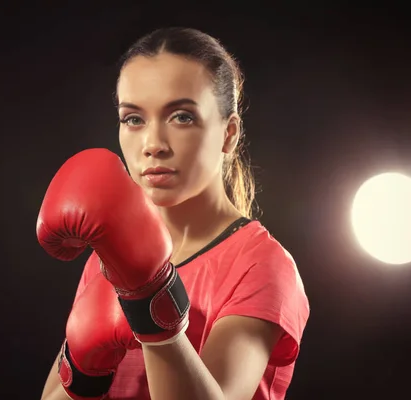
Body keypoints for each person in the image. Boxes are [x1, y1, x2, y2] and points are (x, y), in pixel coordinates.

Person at [37, 27, 310, 400]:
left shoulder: (262, 264)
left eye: (181, 117)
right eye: (133, 119)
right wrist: (84, 366)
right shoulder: (108, 251)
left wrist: (148, 303)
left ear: (229, 133)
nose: (153, 145)